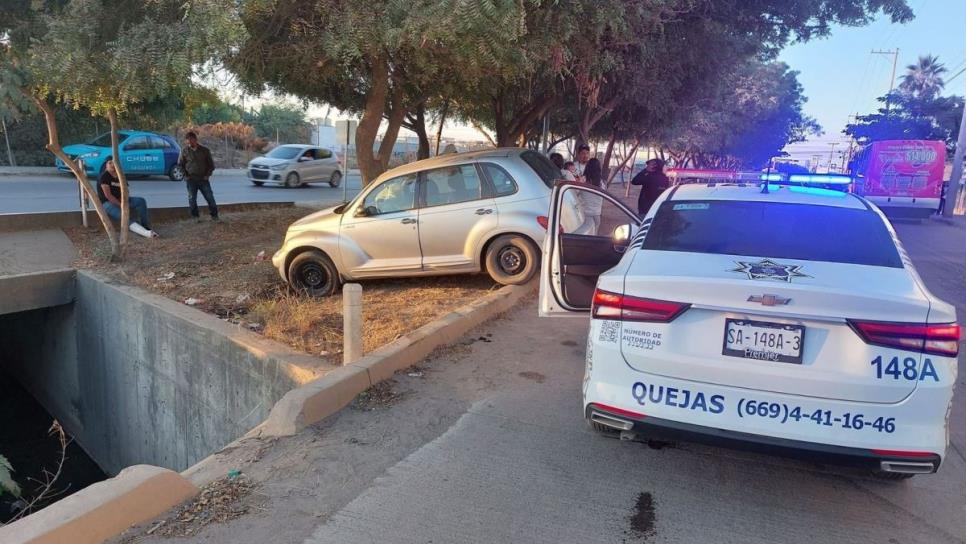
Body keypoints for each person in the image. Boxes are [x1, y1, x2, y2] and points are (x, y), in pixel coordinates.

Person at [97, 158, 158, 238]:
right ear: (106, 165)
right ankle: (146, 233)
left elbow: (126, 190)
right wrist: (121, 205)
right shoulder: (104, 176)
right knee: (124, 215)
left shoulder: (120, 175)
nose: (112, 165)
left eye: (114, 163)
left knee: (141, 201)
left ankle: (145, 226)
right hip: (107, 203)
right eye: (110, 163)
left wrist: (125, 200)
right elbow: (108, 196)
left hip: (121, 200)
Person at [178, 131, 219, 222]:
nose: (190, 142)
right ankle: (195, 217)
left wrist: (207, 175)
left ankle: (214, 216)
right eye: (188, 141)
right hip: (191, 179)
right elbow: (180, 165)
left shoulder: (205, 150)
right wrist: (185, 176)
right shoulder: (184, 151)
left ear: (196, 139)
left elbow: (211, 165)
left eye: (191, 140)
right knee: (192, 199)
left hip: (203, 179)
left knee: (210, 197)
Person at [574, 158, 604, 235]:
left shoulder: (582, 181)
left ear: (587, 168)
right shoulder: (601, 183)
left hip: (585, 214)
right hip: (597, 214)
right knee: (594, 235)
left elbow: (575, 194)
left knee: (585, 235)